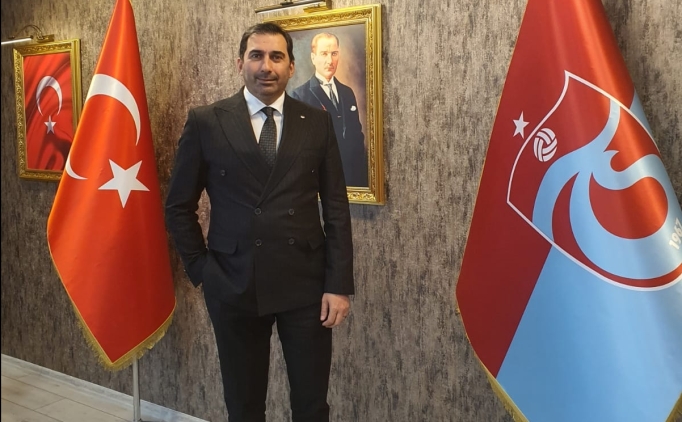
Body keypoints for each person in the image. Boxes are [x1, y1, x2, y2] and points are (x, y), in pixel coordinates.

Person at [165, 22, 354, 422]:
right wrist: (203, 270)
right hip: (233, 283)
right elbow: (178, 206)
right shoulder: (207, 121)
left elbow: (336, 206)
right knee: (244, 406)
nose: (266, 66)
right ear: (240, 63)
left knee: (312, 406)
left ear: (291, 67)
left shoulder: (316, 122)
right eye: (256, 56)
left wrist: (338, 284)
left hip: (306, 284)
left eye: (276, 57)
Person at [291, 32, 368, 187]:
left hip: (352, 175)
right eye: (324, 54)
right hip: (321, 179)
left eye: (334, 54)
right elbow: (300, 147)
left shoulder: (347, 92)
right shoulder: (300, 95)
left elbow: (357, 135)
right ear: (313, 58)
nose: (330, 61)